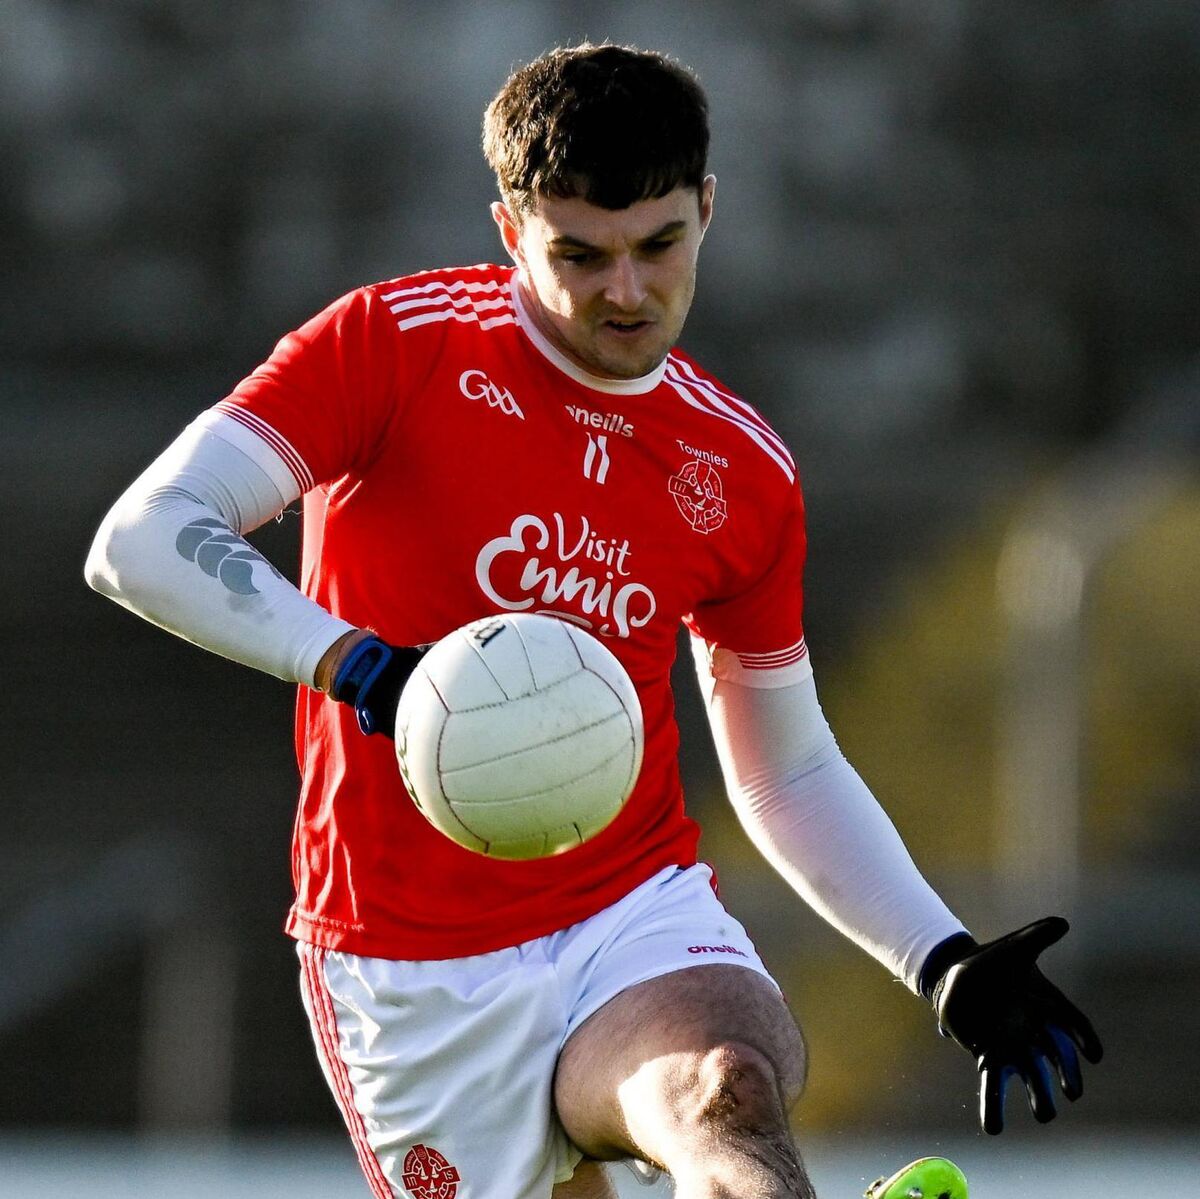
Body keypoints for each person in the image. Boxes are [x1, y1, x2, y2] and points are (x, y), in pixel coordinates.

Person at [86, 43, 1101, 1199]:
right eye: (581, 254)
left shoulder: (741, 470)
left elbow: (786, 769)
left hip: (627, 908)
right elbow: (145, 535)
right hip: (408, 962)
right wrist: (361, 667)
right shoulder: (393, 346)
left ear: (706, 209)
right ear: (512, 231)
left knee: (727, 1088)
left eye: (659, 245)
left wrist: (943, 958)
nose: (626, 290)